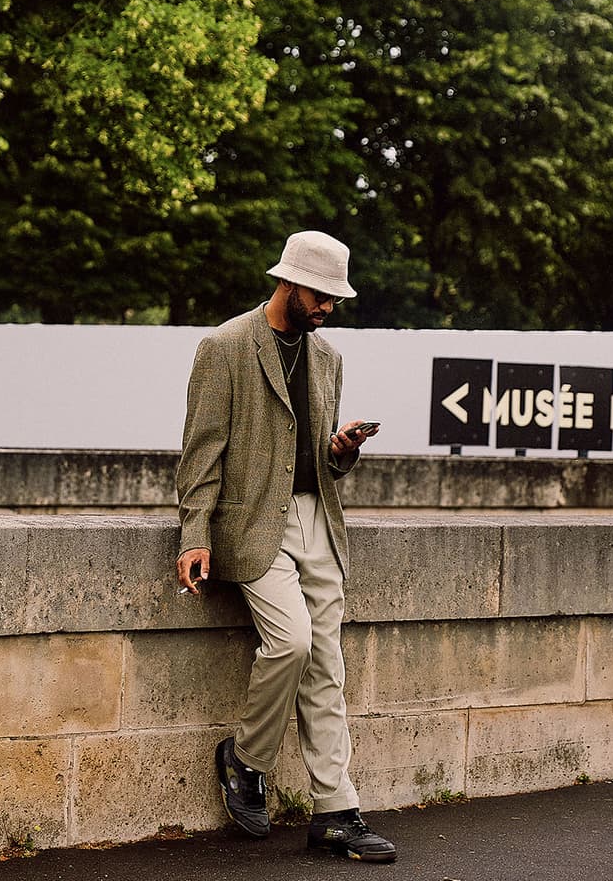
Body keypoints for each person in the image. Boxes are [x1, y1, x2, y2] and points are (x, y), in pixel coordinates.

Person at [175, 230, 397, 864]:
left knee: (328, 665)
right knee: (293, 641)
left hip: (319, 520)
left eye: (336, 298)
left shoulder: (327, 357)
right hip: (254, 525)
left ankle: (337, 811)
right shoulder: (224, 347)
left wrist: (341, 451)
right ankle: (246, 759)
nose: (328, 307)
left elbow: (314, 449)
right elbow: (201, 453)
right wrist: (194, 535)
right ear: (289, 282)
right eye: (321, 295)